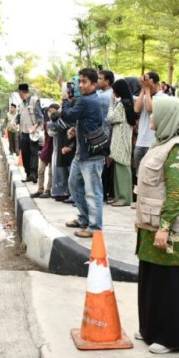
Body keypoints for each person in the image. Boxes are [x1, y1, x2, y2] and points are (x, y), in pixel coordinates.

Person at [134, 95, 179, 354]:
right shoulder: (162, 144)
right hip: (151, 225)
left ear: (169, 118)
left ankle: (173, 336)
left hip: (169, 229)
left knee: (170, 283)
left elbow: (175, 192)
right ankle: (151, 329)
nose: (151, 121)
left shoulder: (177, 150)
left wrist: (164, 227)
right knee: (152, 279)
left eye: (155, 115)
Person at [59, 68, 106, 239]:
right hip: (82, 153)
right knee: (74, 185)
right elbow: (84, 121)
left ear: (94, 84)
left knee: (93, 192)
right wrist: (75, 130)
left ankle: (95, 227)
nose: (81, 85)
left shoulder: (88, 101)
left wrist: (64, 99)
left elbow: (68, 115)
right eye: (80, 81)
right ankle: (84, 218)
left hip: (91, 155)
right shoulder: (88, 99)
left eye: (84, 81)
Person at [133, 71, 166, 202]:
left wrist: (147, 89)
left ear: (157, 84)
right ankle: (140, 198)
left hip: (152, 142)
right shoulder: (145, 94)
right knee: (139, 172)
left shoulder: (162, 97)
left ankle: (150, 199)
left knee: (151, 173)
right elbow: (136, 109)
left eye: (149, 82)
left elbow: (149, 109)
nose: (147, 85)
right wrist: (143, 89)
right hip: (141, 141)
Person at [107, 78, 135, 207]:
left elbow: (111, 118)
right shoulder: (128, 103)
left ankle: (124, 198)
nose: (113, 92)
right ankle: (119, 197)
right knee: (119, 167)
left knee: (122, 168)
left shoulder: (121, 104)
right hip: (124, 138)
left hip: (120, 139)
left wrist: (111, 104)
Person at [16, 83, 43, 183]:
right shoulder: (22, 104)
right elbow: (19, 116)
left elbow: (40, 117)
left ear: (21, 92)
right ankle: (28, 174)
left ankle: (33, 175)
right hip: (23, 132)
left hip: (33, 133)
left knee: (33, 154)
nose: (19, 94)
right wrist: (15, 122)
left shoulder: (34, 101)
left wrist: (35, 127)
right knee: (25, 154)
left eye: (19, 92)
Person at [32, 104, 58, 199]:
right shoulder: (47, 124)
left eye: (53, 111)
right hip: (46, 149)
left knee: (51, 172)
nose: (51, 113)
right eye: (50, 111)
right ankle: (40, 189)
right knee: (40, 170)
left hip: (55, 150)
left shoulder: (59, 123)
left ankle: (48, 190)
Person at [97, 69, 115, 202]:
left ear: (107, 81)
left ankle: (100, 194)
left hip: (103, 135)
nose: (97, 81)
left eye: (100, 79)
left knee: (100, 166)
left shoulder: (104, 96)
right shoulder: (107, 94)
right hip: (106, 134)